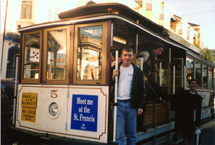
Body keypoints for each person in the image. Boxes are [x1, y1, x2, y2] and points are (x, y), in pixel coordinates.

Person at [111, 46, 146, 145]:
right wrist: (112, 76)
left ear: (133, 57)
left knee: (132, 133)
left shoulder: (137, 71)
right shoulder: (114, 69)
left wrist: (141, 105)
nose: (127, 57)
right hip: (118, 105)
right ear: (121, 56)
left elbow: (142, 90)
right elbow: (108, 85)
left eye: (129, 55)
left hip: (132, 105)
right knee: (119, 134)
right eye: (125, 55)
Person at [137, 42, 165, 132]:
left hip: (145, 81)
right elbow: (136, 64)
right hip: (139, 82)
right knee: (142, 104)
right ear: (154, 49)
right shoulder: (146, 54)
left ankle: (160, 97)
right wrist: (142, 76)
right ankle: (138, 125)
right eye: (159, 50)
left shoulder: (153, 57)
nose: (160, 53)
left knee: (158, 89)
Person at [172, 79, 202, 145]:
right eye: (192, 83)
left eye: (195, 83)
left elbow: (198, 112)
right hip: (180, 117)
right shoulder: (183, 93)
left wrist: (197, 125)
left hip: (189, 120)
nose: (193, 85)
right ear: (189, 85)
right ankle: (176, 134)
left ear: (196, 85)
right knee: (182, 135)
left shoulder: (198, 98)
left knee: (187, 138)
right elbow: (174, 99)